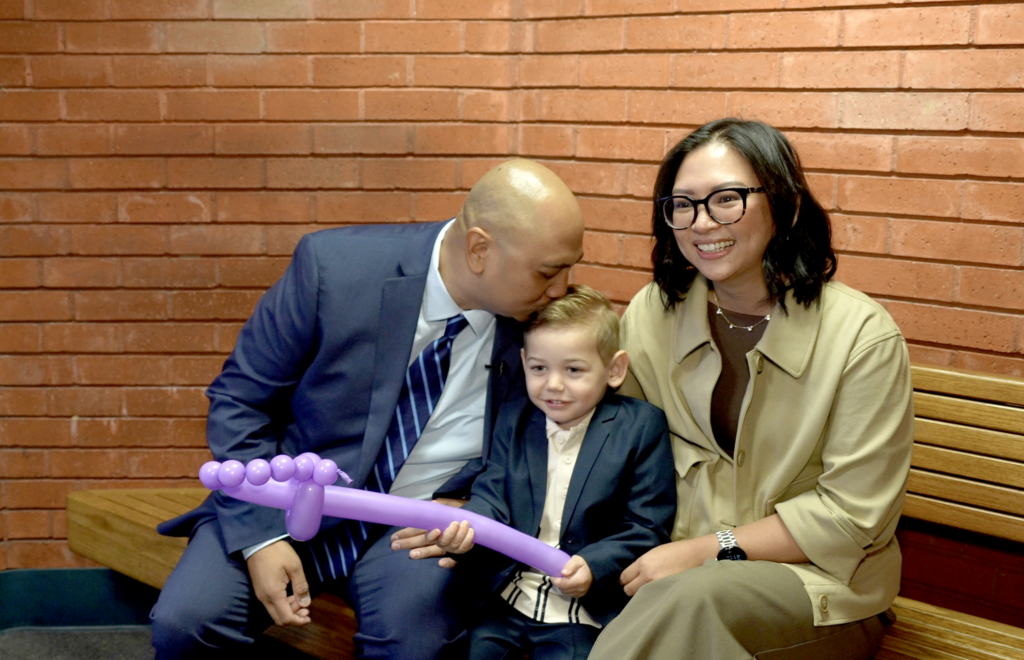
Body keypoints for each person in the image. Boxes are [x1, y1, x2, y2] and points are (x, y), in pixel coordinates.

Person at [149, 158, 586, 660]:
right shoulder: (332, 269)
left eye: (570, 267)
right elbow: (239, 401)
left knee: (413, 643)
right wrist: (259, 539)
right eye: (548, 272)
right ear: (480, 249)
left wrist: (479, 509)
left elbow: (536, 445)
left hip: (418, 526)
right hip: (288, 499)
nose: (560, 289)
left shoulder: (542, 323)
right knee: (187, 622)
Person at [587, 119, 915, 660]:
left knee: (692, 602)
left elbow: (850, 517)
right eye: (683, 205)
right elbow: (617, 450)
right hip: (669, 575)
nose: (701, 222)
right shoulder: (653, 312)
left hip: (817, 588)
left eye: (726, 199)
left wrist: (704, 552)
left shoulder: (862, 338)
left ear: (783, 205)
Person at [395, 285, 676, 660]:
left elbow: (647, 526)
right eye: (539, 368)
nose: (553, 385)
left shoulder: (641, 427)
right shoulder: (515, 418)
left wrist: (594, 566)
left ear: (614, 369)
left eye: (573, 369)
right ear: (524, 361)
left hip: (581, 612)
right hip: (508, 596)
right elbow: (492, 496)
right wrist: (466, 531)